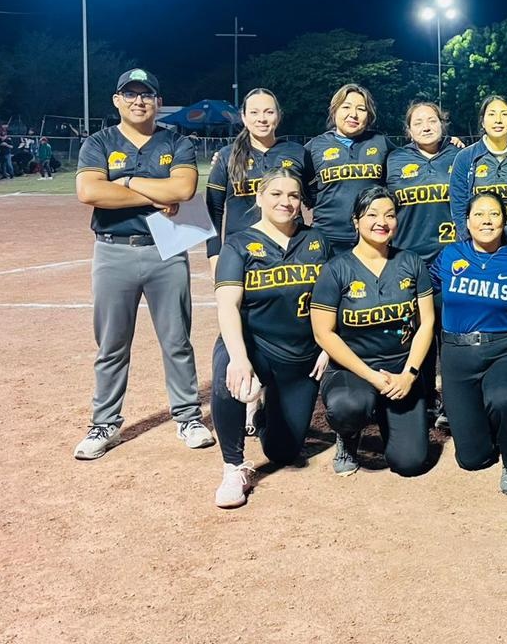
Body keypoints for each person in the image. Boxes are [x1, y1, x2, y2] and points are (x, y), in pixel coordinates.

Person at [72, 68, 215, 459]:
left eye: (147, 94)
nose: (139, 101)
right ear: (117, 100)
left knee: (177, 341)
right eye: (131, 94)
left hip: (166, 251)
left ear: (158, 101)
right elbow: (89, 192)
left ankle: (188, 417)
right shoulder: (99, 142)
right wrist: (154, 193)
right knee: (111, 344)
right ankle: (104, 423)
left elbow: (183, 188)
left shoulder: (176, 141)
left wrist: (125, 183)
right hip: (113, 250)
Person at [210, 168, 329, 508]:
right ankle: (233, 467)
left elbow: (332, 300)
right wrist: (239, 358)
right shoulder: (238, 244)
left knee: (284, 452)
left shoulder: (317, 241)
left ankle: (260, 415)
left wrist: (327, 345)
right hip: (256, 346)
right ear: (260, 197)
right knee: (229, 379)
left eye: (293, 195)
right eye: (276, 194)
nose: (285, 202)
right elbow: (228, 305)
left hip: (301, 356)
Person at [430, 190, 507, 495]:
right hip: (457, 355)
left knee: (502, 398)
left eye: (494, 214)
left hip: (505, 351)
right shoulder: (449, 256)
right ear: (467, 221)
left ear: (504, 220)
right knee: (472, 459)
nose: (486, 220)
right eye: (479, 214)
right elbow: (423, 292)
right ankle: (489, 425)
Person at [311, 187, 436, 477]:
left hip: (400, 370)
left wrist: (409, 374)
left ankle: (386, 413)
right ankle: (348, 436)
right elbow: (323, 334)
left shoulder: (411, 263)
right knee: (349, 408)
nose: (382, 222)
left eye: (390, 215)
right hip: (353, 370)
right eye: (372, 215)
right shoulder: (336, 269)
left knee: (410, 463)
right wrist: (372, 377)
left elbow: (426, 323)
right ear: (356, 221)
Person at [386, 100, 460, 425]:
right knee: (419, 335)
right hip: (410, 262)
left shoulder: (460, 156)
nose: (426, 126)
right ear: (408, 129)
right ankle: (426, 400)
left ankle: (452, 404)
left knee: (451, 335)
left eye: (432, 120)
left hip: (452, 262)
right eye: (418, 122)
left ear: (443, 124)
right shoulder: (394, 160)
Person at [206, 88, 313, 274]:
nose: (261, 119)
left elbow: (317, 200)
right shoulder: (226, 156)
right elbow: (213, 212)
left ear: (279, 115)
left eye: (269, 112)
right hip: (241, 254)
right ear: (244, 117)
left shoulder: (298, 152)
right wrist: (215, 257)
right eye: (254, 112)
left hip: (291, 252)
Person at [304, 84, 392, 255]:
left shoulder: (381, 143)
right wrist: (314, 198)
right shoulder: (316, 146)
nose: (353, 114)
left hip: (371, 237)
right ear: (334, 110)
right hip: (327, 238)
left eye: (361, 109)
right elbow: (299, 182)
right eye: (346, 107)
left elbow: (405, 166)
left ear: (369, 115)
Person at [449, 95, 507, 255]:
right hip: (479, 245)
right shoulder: (465, 158)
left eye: (504, 114)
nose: (498, 120)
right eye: (491, 114)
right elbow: (458, 207)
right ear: (482, 121)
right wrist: (469, 241)